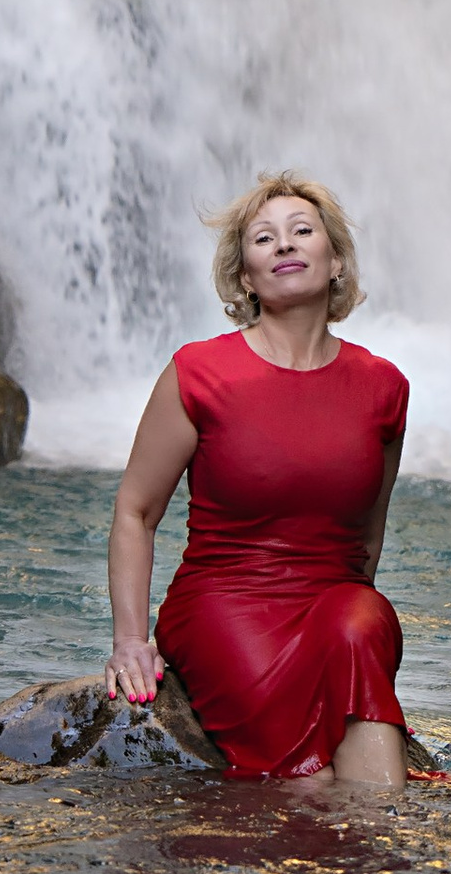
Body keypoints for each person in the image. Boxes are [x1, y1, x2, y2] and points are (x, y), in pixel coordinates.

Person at [105, 171, 423, 787]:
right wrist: (129, 640)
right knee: (309, 777)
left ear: (335, 263)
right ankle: (356, 856)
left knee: (360, 624)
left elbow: (368, 538)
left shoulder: (384, 387)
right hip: (223, 602)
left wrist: (339, 636)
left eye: (303, 231)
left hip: (337, 604)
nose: (285, 245)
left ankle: (373, 846)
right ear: (246, 278)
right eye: (264, 239)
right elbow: (135, 512)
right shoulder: (199, 372)